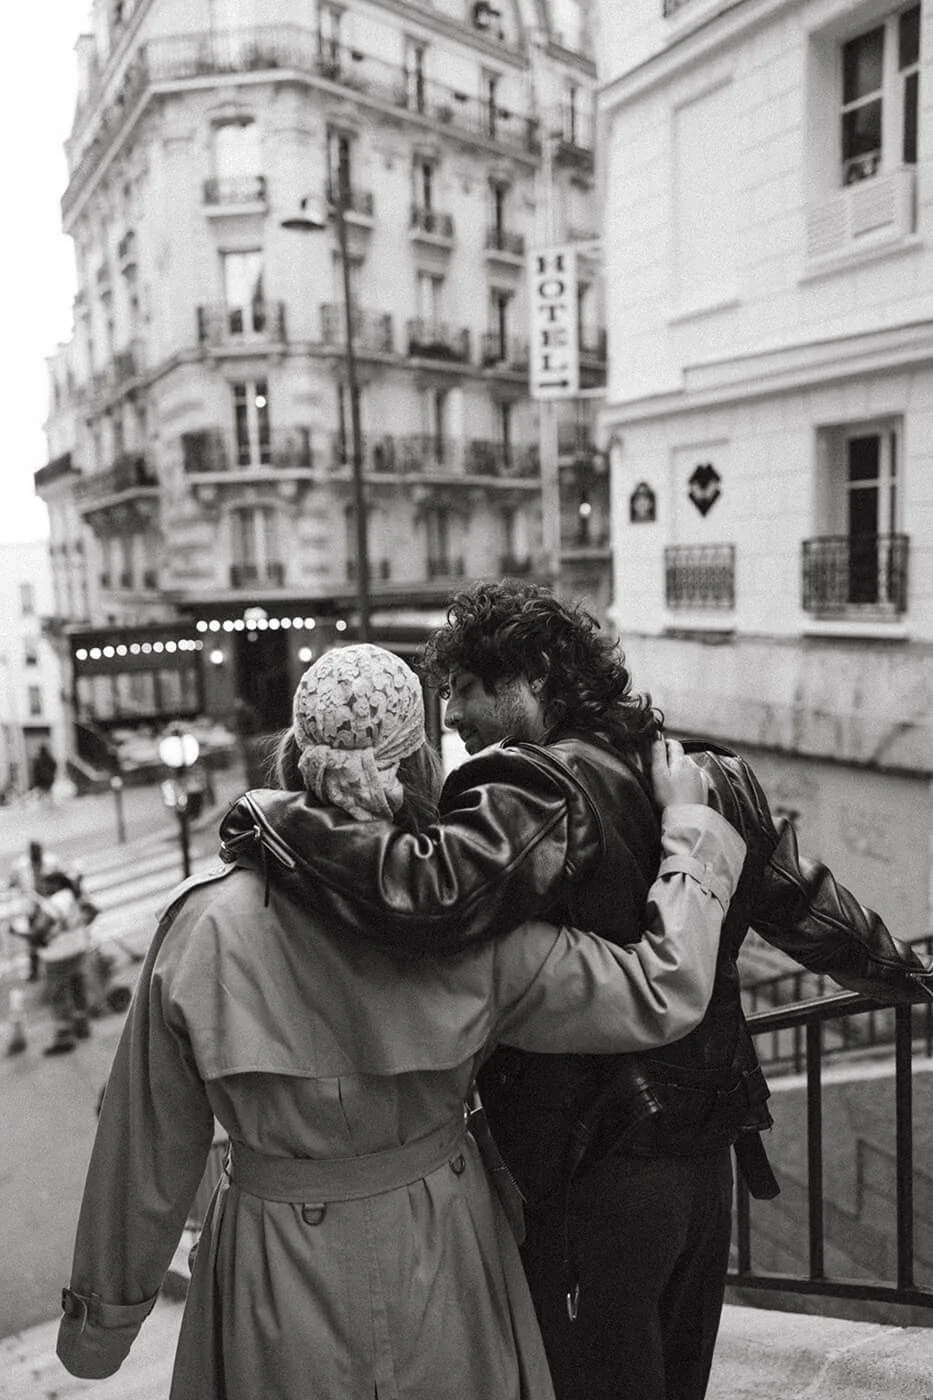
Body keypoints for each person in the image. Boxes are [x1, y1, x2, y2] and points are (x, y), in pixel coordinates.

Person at [220, 583, 933, 1400]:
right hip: (705, 1161)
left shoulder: (534, 787)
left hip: (593, 1174)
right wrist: (912, 978)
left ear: (527, 678)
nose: (450, 718)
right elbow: (811, 913)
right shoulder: (708, 774)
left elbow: (430, 894)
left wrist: (270, 820)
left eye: (461, 691)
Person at [58, 643, 746, 1400]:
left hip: (269, 1257)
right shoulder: (466, 923)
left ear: (293, 757)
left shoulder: (200, 925)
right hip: (443, 1241)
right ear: (417, 764)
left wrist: (102, 1324)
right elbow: (663, 988)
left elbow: (144, 1145)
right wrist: (690, 830)